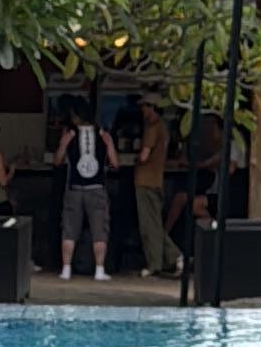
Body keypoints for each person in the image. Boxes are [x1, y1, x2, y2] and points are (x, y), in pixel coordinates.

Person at [53, 103, 121, 278]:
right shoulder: (103, 134)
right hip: (97, 188)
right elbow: (115, 164)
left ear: (77, 116)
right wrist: (110, 145)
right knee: (99, 230)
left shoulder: (69, 135)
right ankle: (99, 269)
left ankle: (66, 269)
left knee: (69, 228)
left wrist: (63, 144)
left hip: (74, 189)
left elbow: (57, 161)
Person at [132, 95, 176, 274]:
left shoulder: (152, 127)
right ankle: (173, 256)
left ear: (152, 107)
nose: (142, 110)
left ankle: (156, 263)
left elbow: (144, 155)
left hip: (145, 180)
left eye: (144, 106)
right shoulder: (163, 127)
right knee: (155, 223)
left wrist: (135, 161)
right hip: (157, 179)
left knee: (149, 225)